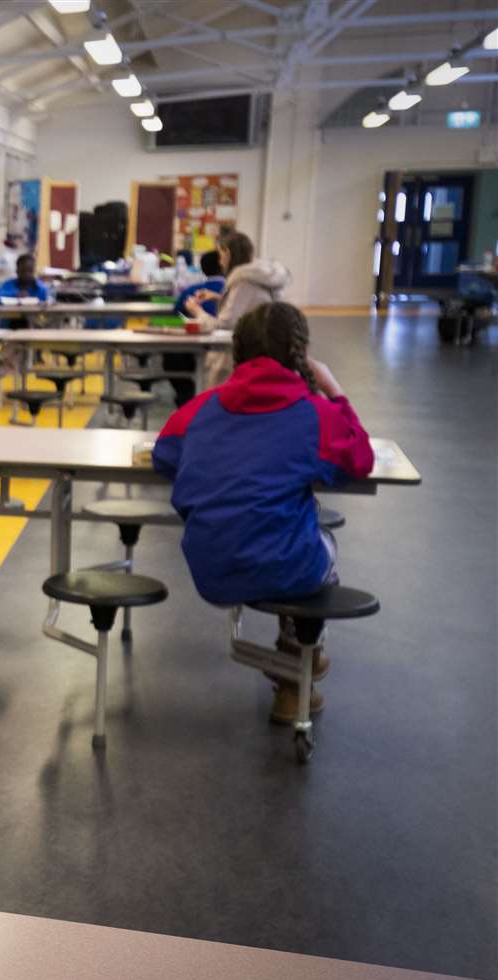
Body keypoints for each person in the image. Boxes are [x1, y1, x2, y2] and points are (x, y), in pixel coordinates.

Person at [152, 302, 373, 723]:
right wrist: (336, 391)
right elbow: (359, 458)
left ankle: (296, 681)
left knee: (286, 530)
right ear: (301, 355)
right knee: (314, 536)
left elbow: (164, 454)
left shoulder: (201, 409)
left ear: (238, 352)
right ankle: (298, 671)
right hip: (287, 567)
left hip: (212, 567)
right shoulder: (316, 415)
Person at [184, 231, 291, 388]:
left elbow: (223, 325)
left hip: (240, 355)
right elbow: (253, 304)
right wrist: (218, 297)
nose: (220, 262)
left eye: (221, 256)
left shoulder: (243, 282)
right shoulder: (257, 275)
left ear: (228, 253)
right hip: (261, 348)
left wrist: (197, 312)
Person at [162, 249, 226, 404]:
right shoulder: (230, 292)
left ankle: (186, 398)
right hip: (222, 353)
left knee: (171, 358)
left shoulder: (192, 291)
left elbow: (176, 316)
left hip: (191, 350)